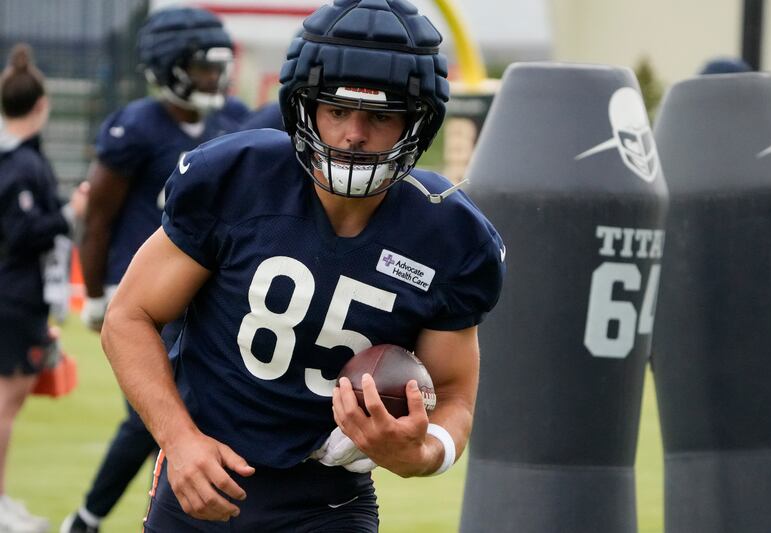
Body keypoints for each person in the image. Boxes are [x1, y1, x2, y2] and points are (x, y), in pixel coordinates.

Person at [103, 0, 505, 530]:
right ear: (303, 107)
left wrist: (426, 451)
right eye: (336, 110)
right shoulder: (236, 179)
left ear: (416, 122)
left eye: (380, 117)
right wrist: (179, 440)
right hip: (206, 472)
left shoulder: (446, 235)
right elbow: (127, 317)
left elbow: (455, 396)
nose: (353, 135)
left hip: (330, 501)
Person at [60, 7, 244, 533]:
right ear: (169, 67)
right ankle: (87, 520)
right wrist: (96, 294)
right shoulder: (135, 127)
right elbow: (98, 217)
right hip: (139, 289)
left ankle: (159, 515)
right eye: (201, 67)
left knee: (192, 413)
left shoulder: (232, 120)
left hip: (203, 294)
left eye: (217, 67)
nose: (214, 78)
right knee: (155, 417)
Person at [0, 44, 84, 533]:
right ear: (41, 105)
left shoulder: (20, 158)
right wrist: (71, 213)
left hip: (17, 295)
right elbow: (24, 230)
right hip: (15, 295)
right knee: (6, 404)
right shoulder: (21, 165)